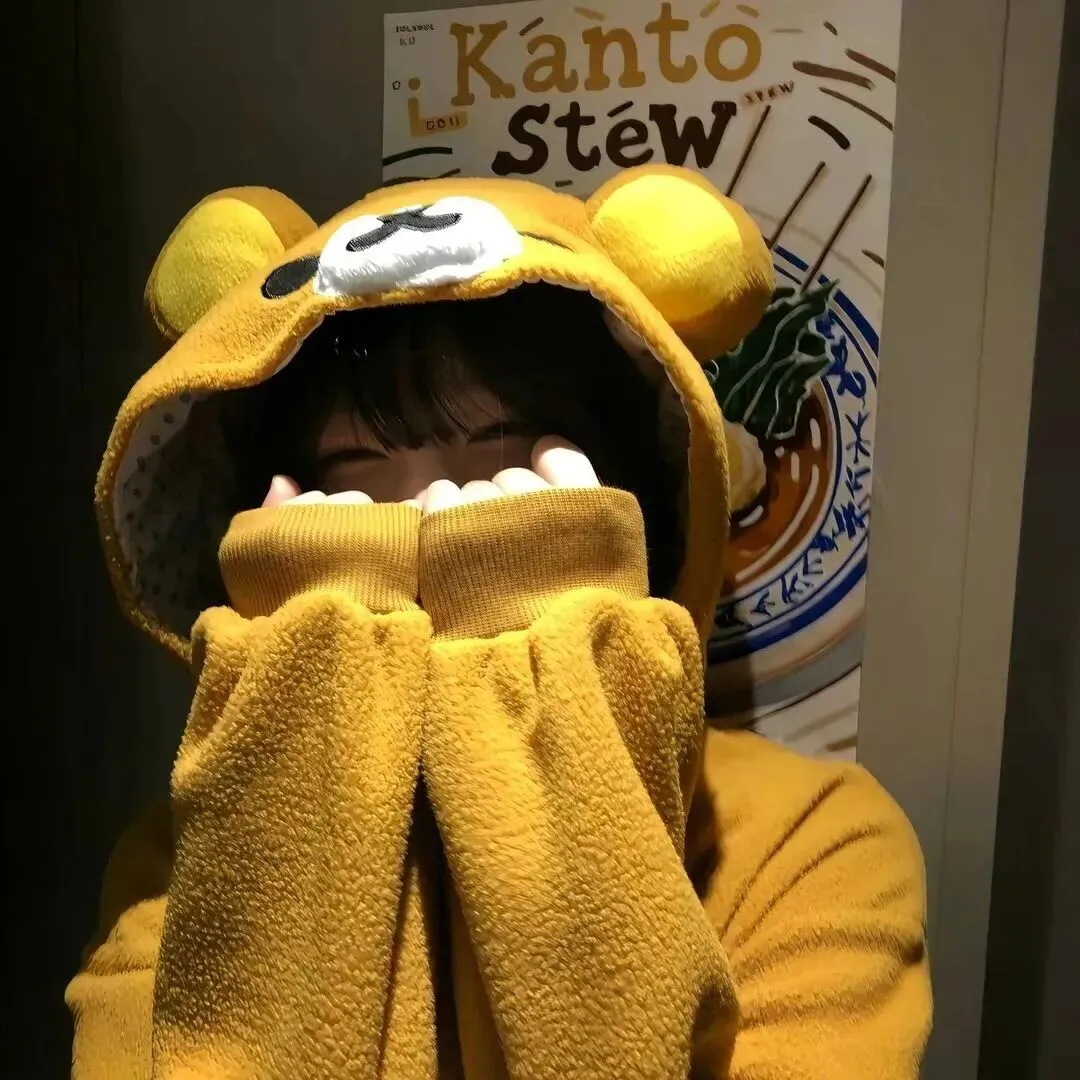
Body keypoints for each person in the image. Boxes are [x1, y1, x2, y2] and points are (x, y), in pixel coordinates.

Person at [69, 167, 931, 1079]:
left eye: (505, 465)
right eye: (355, 473)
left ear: (638, 504)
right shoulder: (186, 863)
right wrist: (312, 700)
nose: (432, 509)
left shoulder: (813, 840)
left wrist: (539, 663)